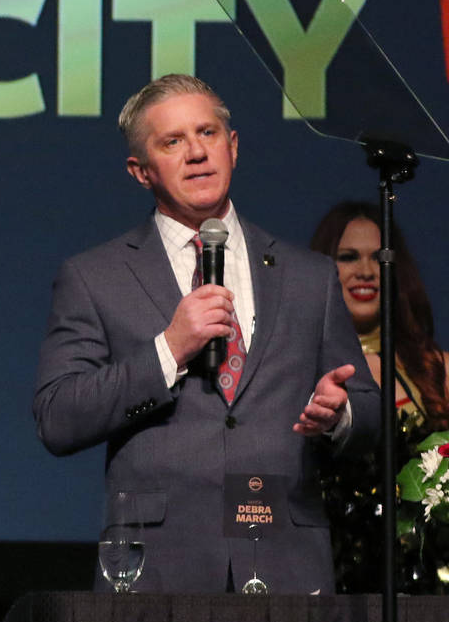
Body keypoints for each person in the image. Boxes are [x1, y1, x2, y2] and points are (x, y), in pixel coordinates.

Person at [34, 73, 379, 595]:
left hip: (286, 562)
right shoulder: (95, 277)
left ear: (233, 147)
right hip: (160, 571)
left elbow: (368, 410)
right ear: (140, 171)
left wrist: (341, 414)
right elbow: (58, 417)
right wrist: (168, 350)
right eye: (172, 141)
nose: (196, 152)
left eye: (208, 133)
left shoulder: (309, 276)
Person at [310, 201, 449, 593]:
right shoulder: (296, 369)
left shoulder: (440, 370)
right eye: (348, 257)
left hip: (426, 585)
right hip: (329, 581)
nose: (366, 271)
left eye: (379, 258)